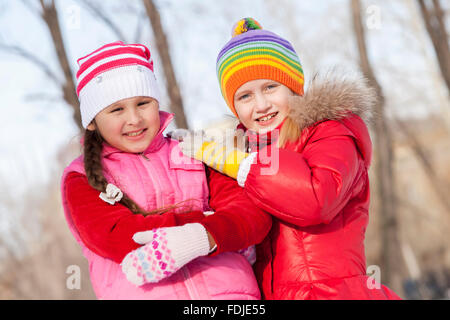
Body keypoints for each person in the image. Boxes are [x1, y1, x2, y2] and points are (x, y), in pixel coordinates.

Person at [167, 17, 402, 300]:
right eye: (245, 96)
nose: (261, 105)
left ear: (292, 86)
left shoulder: (332, 131)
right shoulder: (240, 152)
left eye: (270, 87)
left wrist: (239, 164)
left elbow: (316, 200)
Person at [60, 41, 271, 300]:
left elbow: (250, 216)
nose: (135, 119)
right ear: (92, 121)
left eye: (143, 103)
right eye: (117, 109)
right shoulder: (81, 178)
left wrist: (201, 237)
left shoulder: (195, 152)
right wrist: (213, 226)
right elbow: (119, 236)